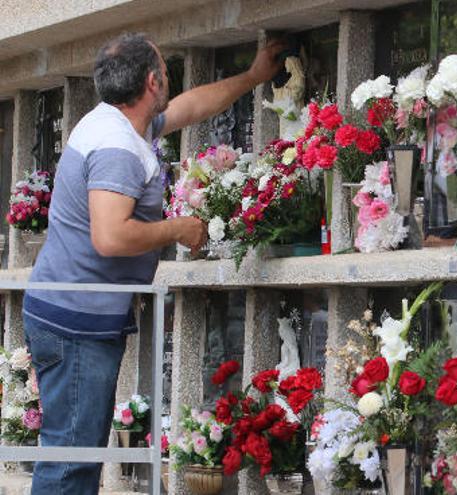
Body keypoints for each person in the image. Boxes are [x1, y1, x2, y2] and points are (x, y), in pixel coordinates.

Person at [22, 32, 285, 494]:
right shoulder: (117, 147)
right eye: (165, 69)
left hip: (71, 315)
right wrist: (177, 228)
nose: (168, 78)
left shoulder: (121, 123)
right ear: (151, 81)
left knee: (73, 454)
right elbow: (111, 235)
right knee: (71, 463)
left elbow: (188, 108)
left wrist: (252, 76)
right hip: (76, 324)